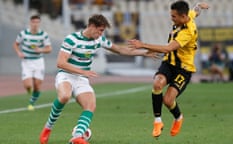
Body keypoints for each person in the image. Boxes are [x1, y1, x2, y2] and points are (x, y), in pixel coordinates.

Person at [39, 14, 158, 144]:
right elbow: (61, 63)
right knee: (64, 97)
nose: (101, 34)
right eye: (100, 30)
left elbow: (120, 50)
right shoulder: (71, 39)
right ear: (91, 26)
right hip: (66, 75)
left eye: (103, 31)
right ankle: (47, 128)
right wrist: (82, 71)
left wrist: (144, 53)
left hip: (82, 78)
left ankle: (77, 137)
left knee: (90, 105)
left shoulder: (99, 40)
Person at [128, 0, 209, 138]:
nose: (171, 19)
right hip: (168, 64)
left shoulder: (187, 32)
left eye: (174, 16)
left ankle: (178, 117)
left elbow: (167, 48)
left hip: (183, 69)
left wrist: (143, 44)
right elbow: (195, 11)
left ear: (183, 17)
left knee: (168, 101)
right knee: (157, 83)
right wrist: (199, 5)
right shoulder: (187, 15)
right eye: (171, 15)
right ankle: (157, 121)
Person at [13, 14, 52, 111]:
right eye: (33, 22)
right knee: (28, 85)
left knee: (37, 85)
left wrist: (41, 50)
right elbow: (16, 44)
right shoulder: (23, 34)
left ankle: (31, 103)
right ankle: (30, 91)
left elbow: (49, 49)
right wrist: (19, 52)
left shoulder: (43, 35)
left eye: (37, 22)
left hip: (38, 61)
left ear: (39, 23)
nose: (35, 24)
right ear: (30, 23)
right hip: (27, 61)